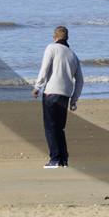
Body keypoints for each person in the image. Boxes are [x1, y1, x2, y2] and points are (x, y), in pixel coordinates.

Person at [31, 25, 83, 169]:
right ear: (66, 38)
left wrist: (37, 87)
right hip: (65, 96)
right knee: (59, 128)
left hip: (51, 92)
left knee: (50, 127)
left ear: (55, 38)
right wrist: (74, 99)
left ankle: (54, 159)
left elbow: (44, 68)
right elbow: (80, 80)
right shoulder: (73, 55)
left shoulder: (51, 48)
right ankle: (63, 160)